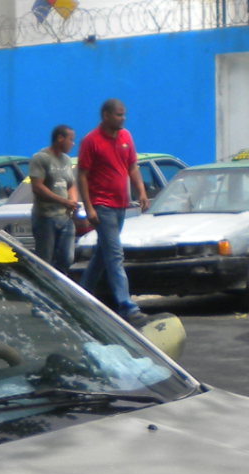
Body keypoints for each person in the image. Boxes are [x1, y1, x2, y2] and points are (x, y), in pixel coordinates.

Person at [76, 98, 150, 325]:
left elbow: (132, 166)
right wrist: (89, 207)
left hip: (120, 206)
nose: (123, 118)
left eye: (123, 114)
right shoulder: (91, 141)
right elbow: (82, 176)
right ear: (106, 116)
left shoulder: (126, 137)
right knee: (115, 254)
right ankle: (127, 306)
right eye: (118, 114)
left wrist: (141, 191)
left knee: (102, 255)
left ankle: (80, 298)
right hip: (102, 206)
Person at [28, 124, 80, 275]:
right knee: (45, 260)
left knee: (67, 258)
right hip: (45, 218)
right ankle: (45, 285)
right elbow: (37, 187)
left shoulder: (67, 160)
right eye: (71, 139)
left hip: (65, 217)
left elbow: (70, 184)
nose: (73, 144)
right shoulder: (40, 158)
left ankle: (60, 283)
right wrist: (63, 201)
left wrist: (73, 201)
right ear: (60, 138)